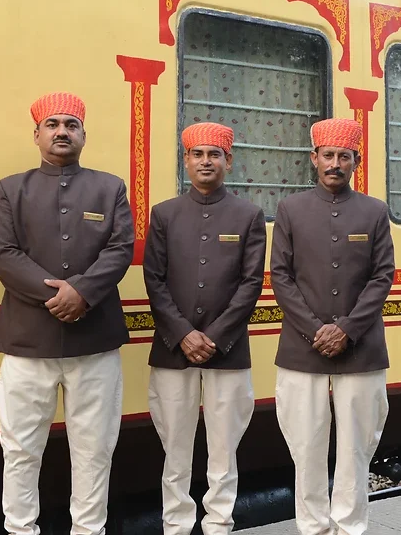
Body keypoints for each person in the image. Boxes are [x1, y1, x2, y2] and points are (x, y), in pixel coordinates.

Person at [0, 92, 135, 535]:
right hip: (26, 341)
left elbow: (120, 248)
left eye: (71, 124)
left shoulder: (109, 188)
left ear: (84, 134)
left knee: (94, 449)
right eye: (52, 124)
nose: (62, 131)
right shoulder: (11, 189)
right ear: (36, 135)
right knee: (20, 448)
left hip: (95, 343)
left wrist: (83, 293)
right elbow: (4, 255)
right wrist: (58, 295)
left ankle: (89, 531)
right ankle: (20, 529)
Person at [269, 118, 395, 535]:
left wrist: (347, 329)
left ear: (356, 162)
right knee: (306, 447)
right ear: (313, 159)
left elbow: (383, 276)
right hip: (301, 348)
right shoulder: (290, 210)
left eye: (344, 156)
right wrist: (315, 329)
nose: (335, 163)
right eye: (328, 155)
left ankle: (350, 527)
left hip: (362, 348)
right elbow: (280, 277)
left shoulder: (375, 211)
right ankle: (312, 528)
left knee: (355, 448)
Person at [143, 122, 267, 535]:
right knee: (174, 449)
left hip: (228, 353)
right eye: (197, 154)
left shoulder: (249, 216)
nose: (206, 161)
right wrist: (182, 334)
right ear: (186, 161)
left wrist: (213, 337)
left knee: (224, 448)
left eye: (214, 154)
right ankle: (175, 525)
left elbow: (251, 283)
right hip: (171, 351)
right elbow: (154, 280)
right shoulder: (164, 214)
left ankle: (219, 524)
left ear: (228, 161)